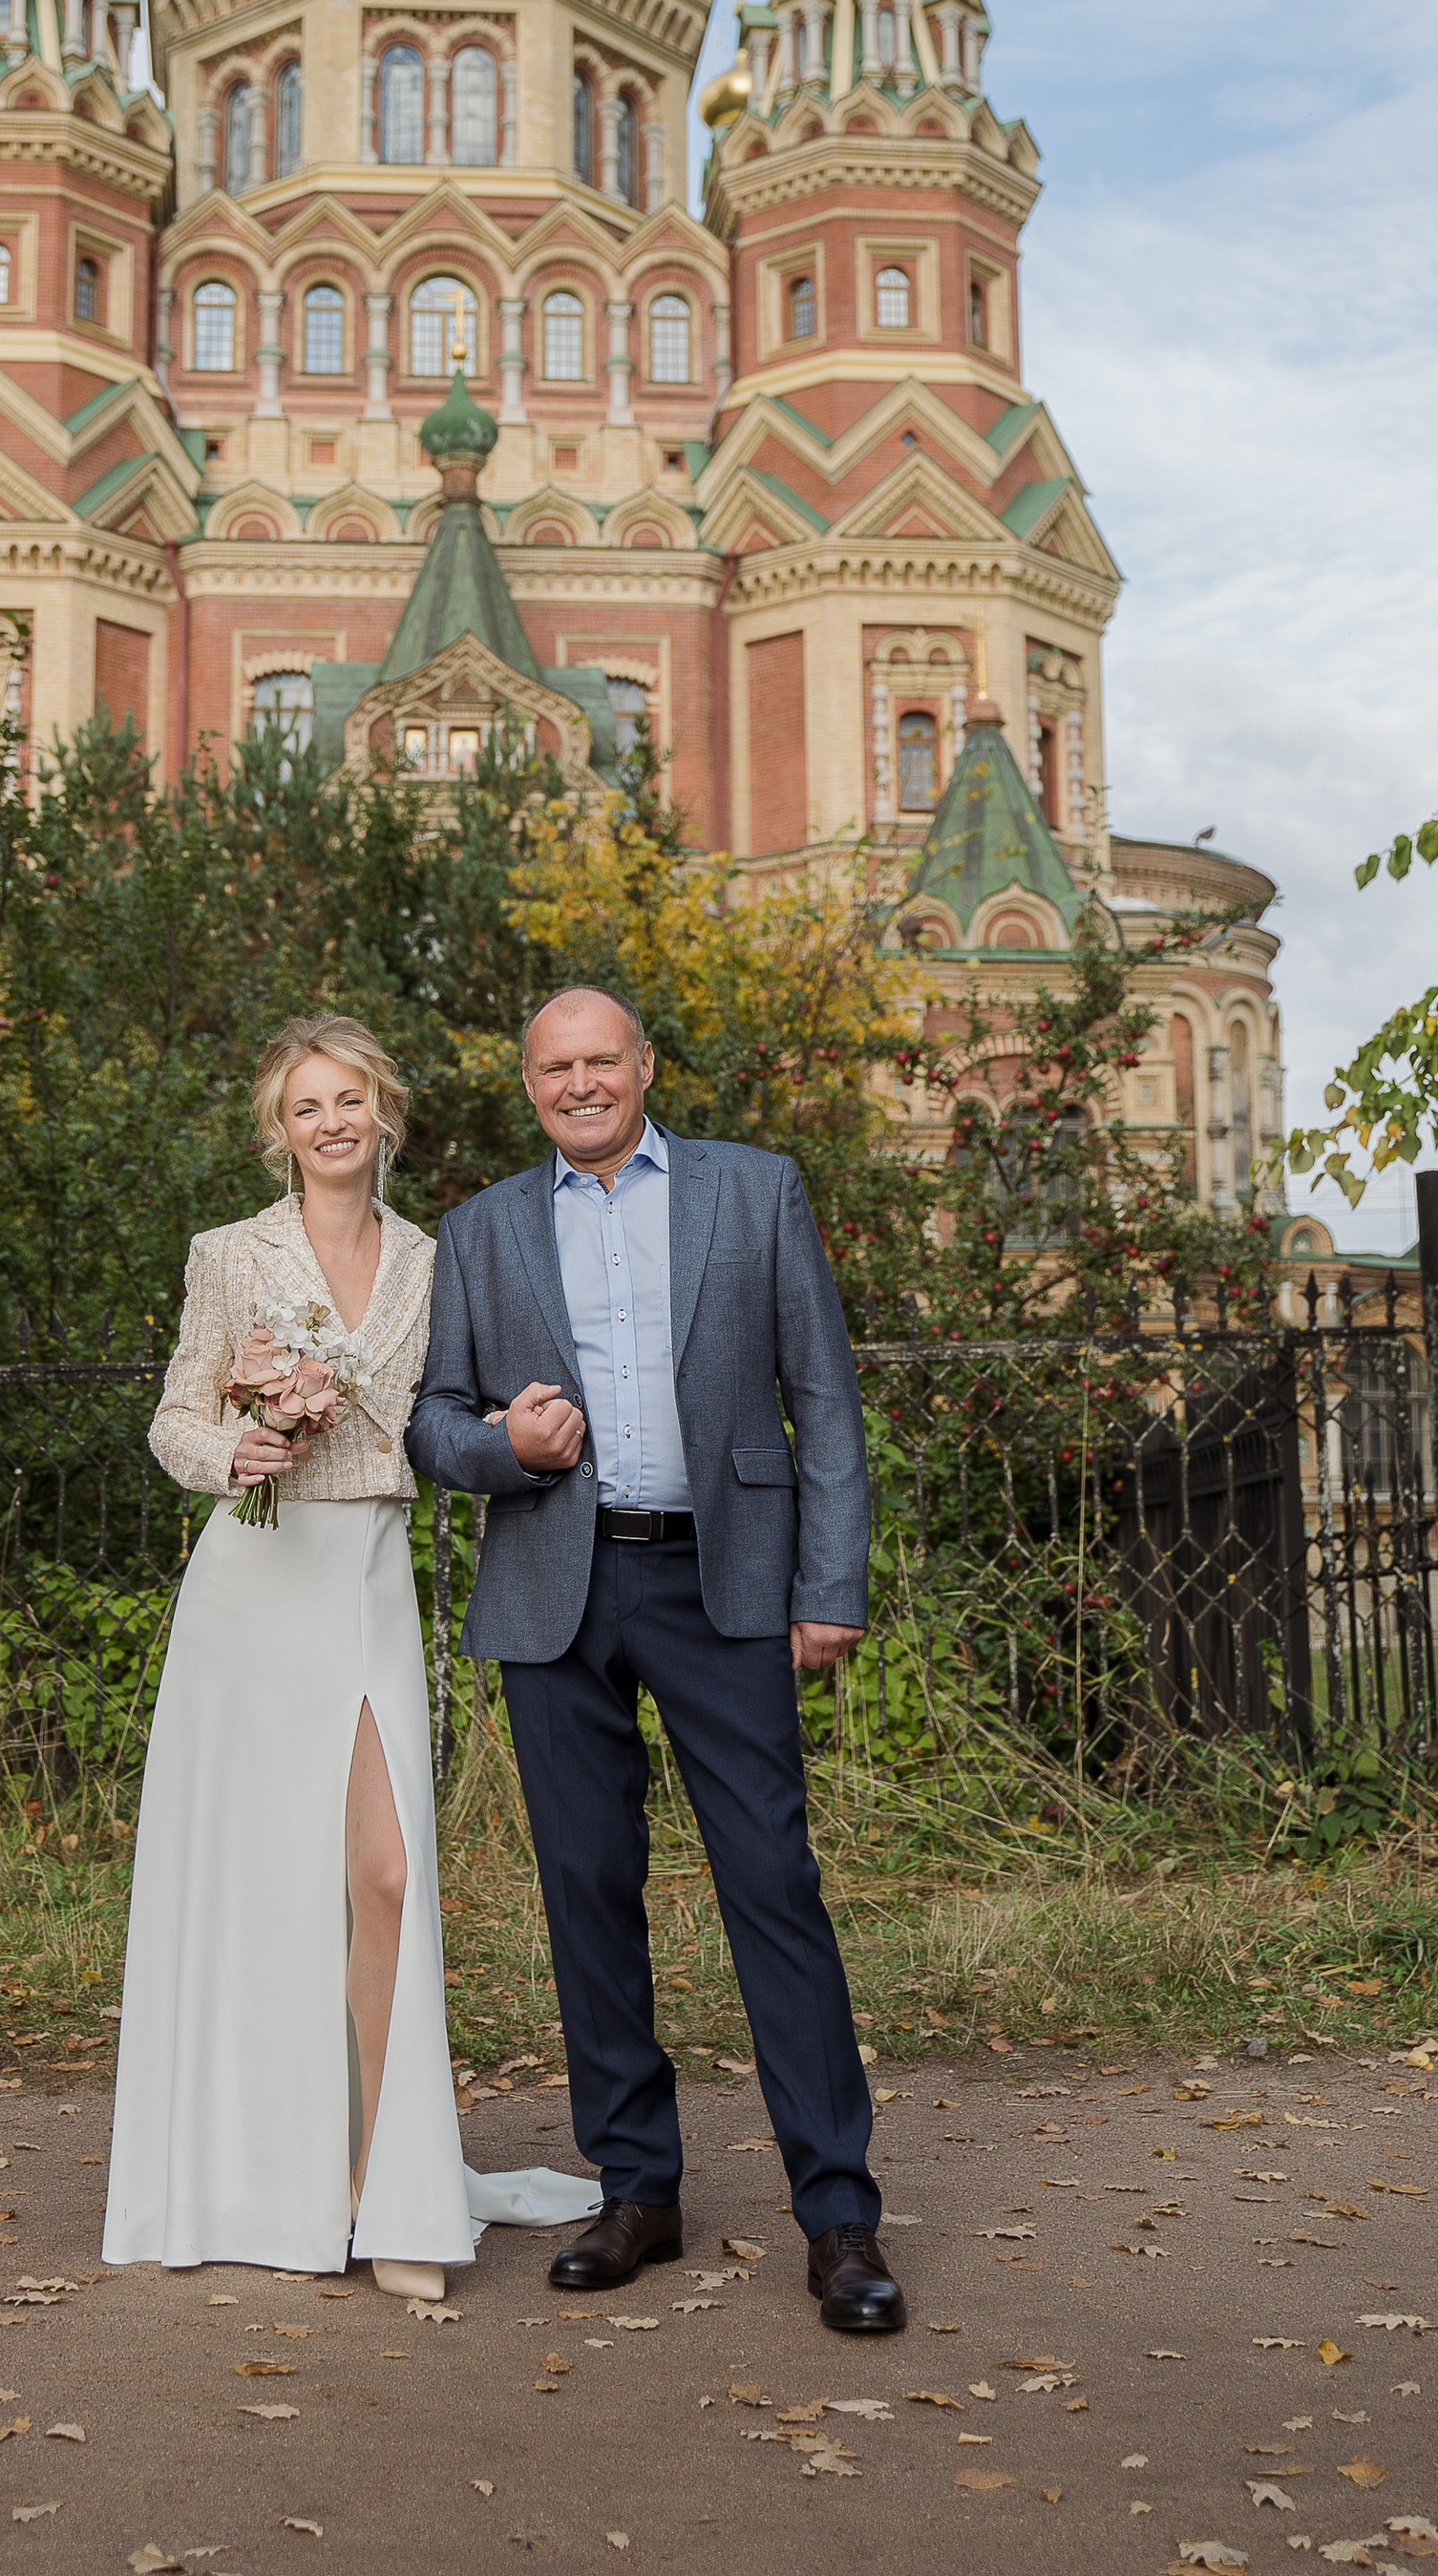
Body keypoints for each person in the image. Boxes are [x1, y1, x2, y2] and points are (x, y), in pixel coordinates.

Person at [404, 984, 904, 2334]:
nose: (579, 1084)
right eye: (554, 1067)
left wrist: (830, 1582)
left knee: (773, 1884)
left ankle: (840, 2217)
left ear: (643, 1067)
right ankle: (639, 2192)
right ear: (531, 1085)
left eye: (599, 1061)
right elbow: (431, 1425)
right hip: (557, 1589)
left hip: (724, 1580)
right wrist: (508, 1445)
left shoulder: (754, 1192)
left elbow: (827, 1403)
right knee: (587, 1890)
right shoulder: (483, 1229)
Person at [103, 1012, 599, 2298]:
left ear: (384, 1114)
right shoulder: (229, 1255)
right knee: (264, 1888)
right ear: (280, 1131)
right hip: (254, 1585)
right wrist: (238, 1451)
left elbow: (447, 1419)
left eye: (351, 1101)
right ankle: (257, 2180)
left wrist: (519, 1434)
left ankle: (390, 2189)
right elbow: (173, 1414)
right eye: (307, 1106)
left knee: (383, 1873)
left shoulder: (438, 1261)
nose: (332, 1123)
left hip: (370, 1578)